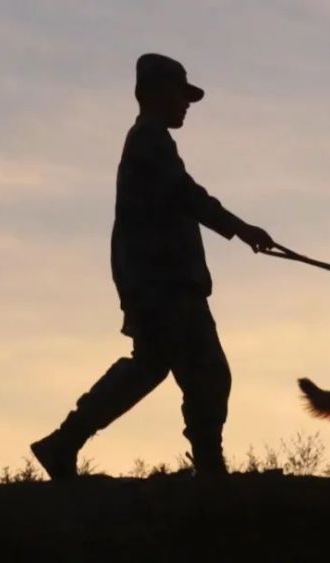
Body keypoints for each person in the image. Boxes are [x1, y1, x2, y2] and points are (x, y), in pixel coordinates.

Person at [30, 53, 274, 479]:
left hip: (155, 282)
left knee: (153, 368)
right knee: (206, 372)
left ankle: (63, 442)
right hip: (165, 284)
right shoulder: (149, 140)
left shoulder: (149, 140)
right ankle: (210, 468)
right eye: (181, 94)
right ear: (155, 94)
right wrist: (240, 228)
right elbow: (186, 194)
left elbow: (180, 196)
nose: (186, 104)